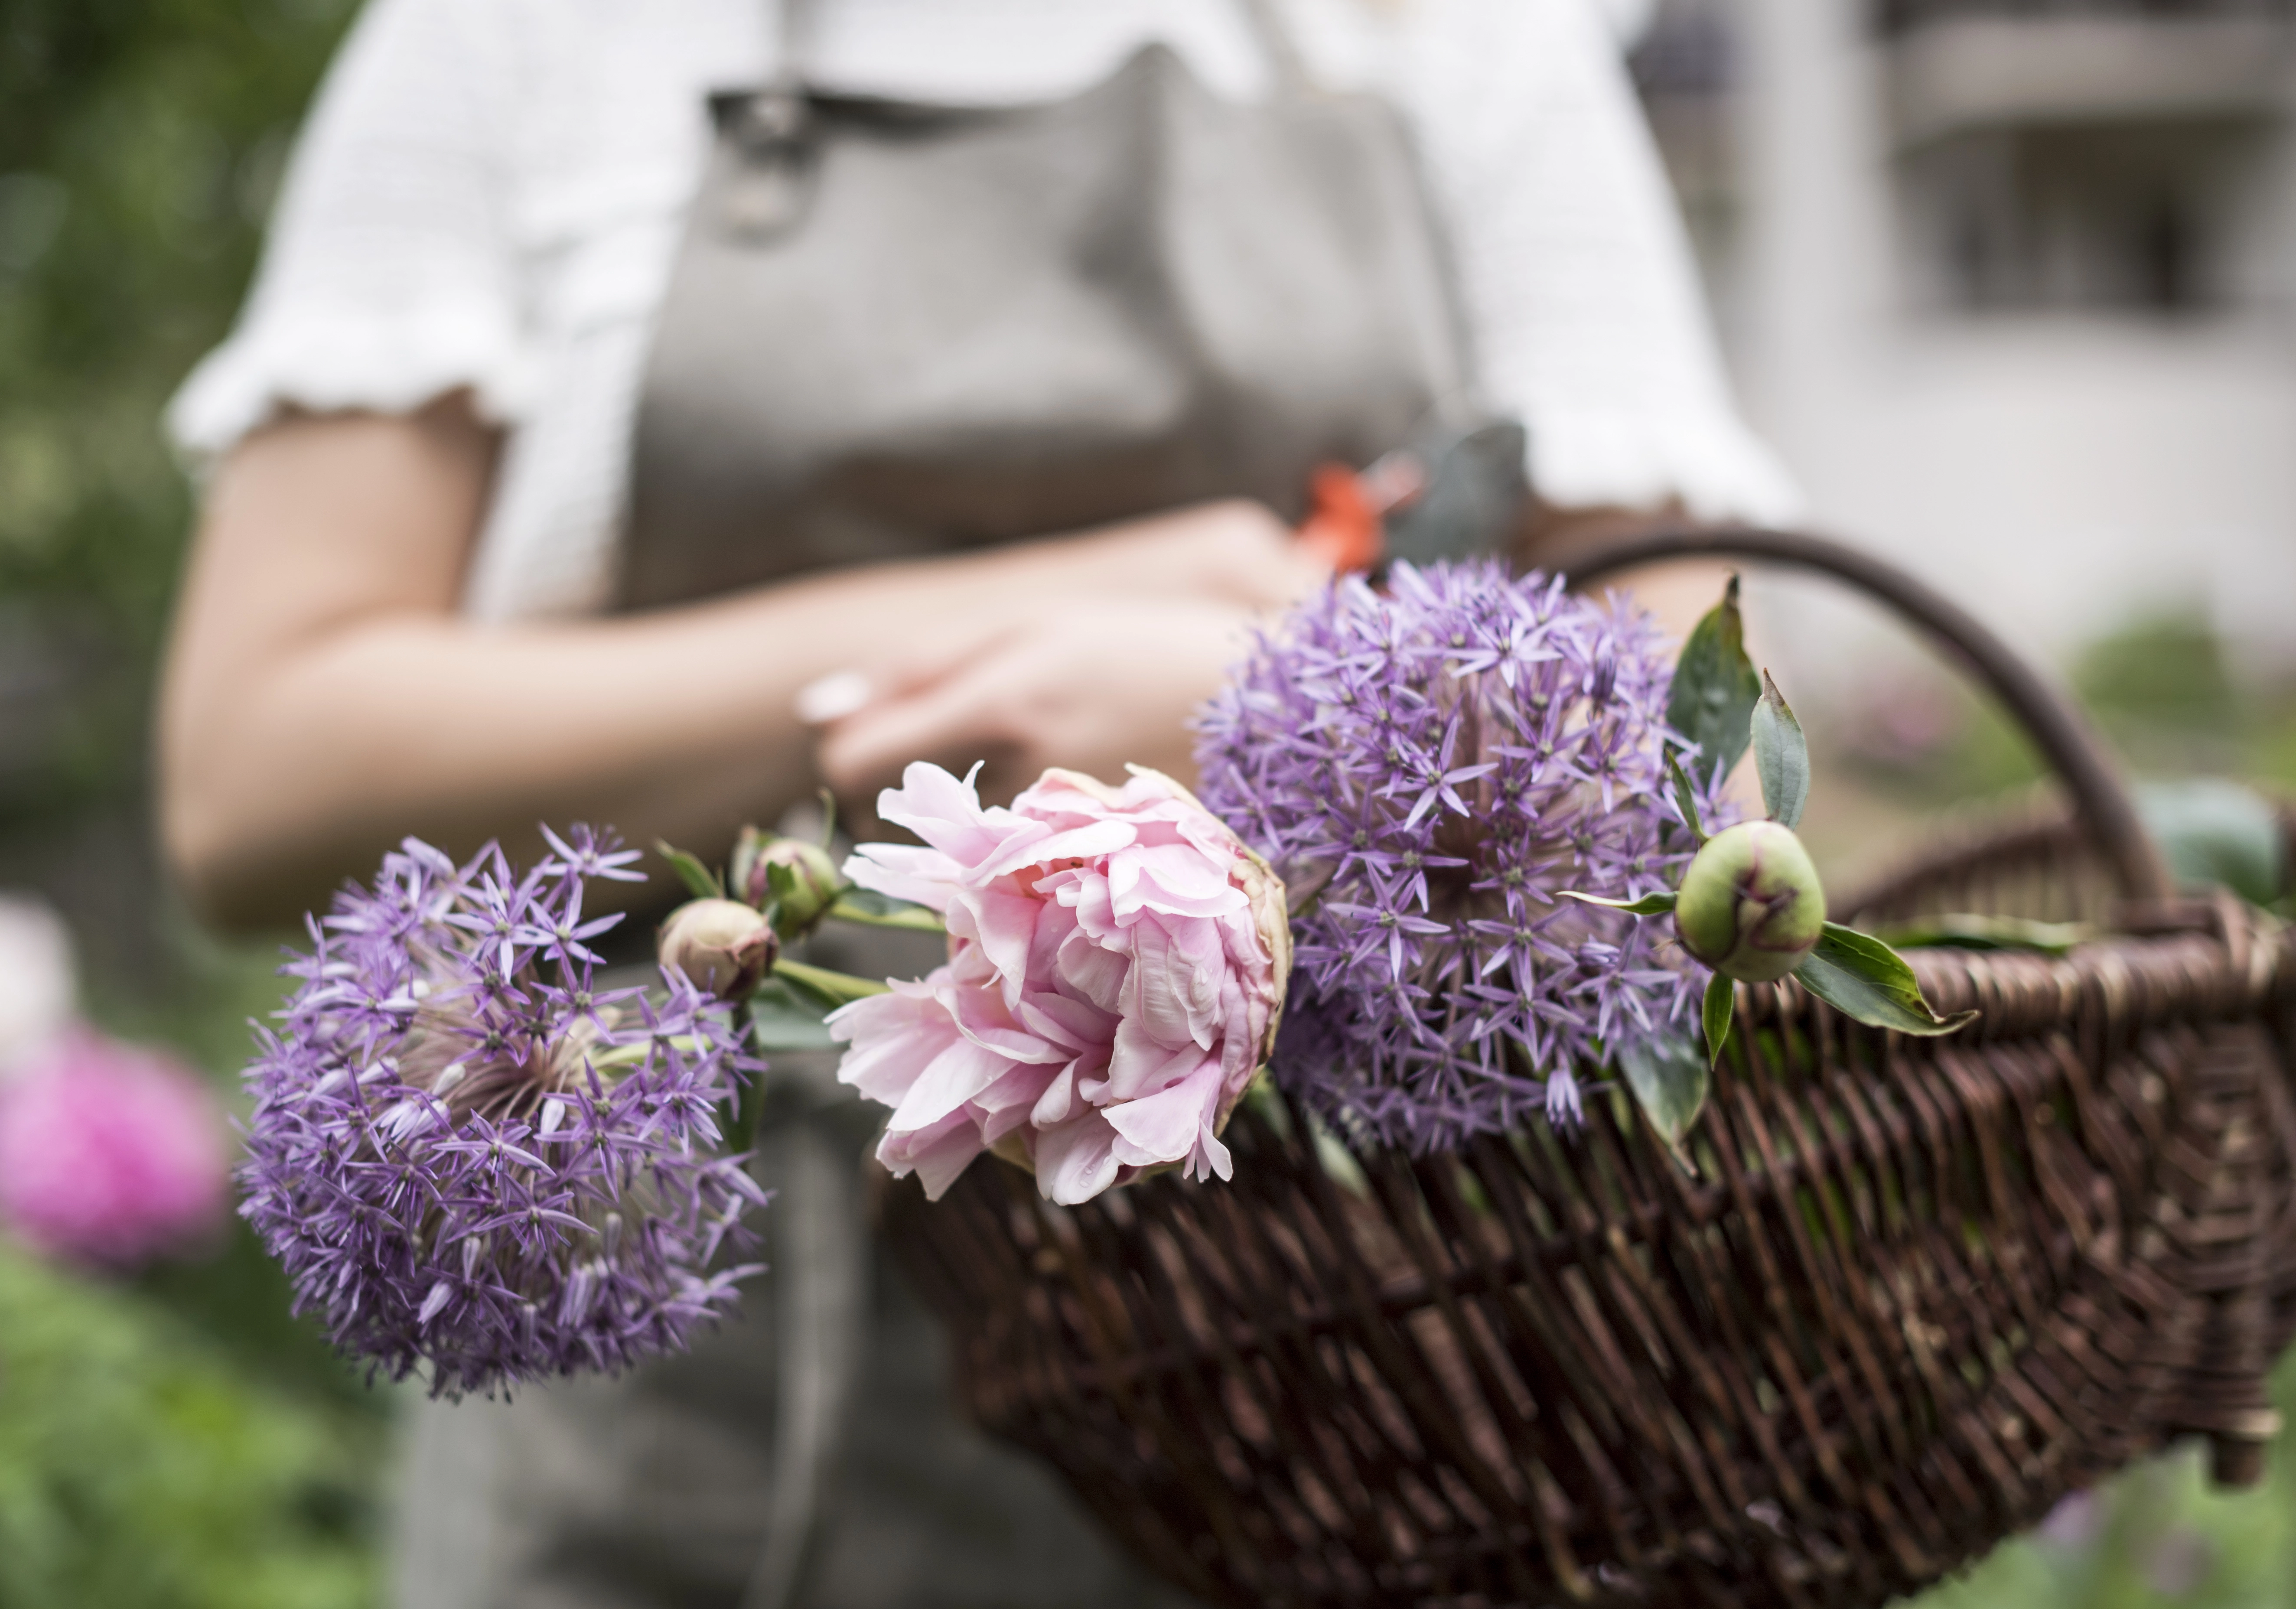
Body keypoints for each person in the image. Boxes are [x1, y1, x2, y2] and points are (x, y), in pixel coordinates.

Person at [158, 1, 1799, 1605]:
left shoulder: (1453, 36)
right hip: (689, 1428)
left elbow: (1702, 803)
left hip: (1364, 1405)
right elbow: (255, 771)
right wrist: (1042, 647)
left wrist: (1247, 700)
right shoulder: (522, 37)